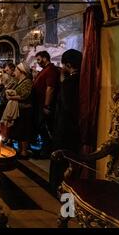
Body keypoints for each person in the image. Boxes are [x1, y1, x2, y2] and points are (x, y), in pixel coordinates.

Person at [49, 49, 82, 193]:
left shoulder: (70, 82)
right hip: (75, 127)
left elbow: (67, 105)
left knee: (60, 159)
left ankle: (58, 187)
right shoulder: (82, 79)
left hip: (65, 127)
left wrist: (63, 83)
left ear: (68, 65)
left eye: (63, 65)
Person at [33, 51, 60, 157]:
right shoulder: (45, 70)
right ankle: (45, 149)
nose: (38, 62)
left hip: (44, 105)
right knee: (41, 127)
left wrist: (46, 105)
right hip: (40, 104)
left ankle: (47, 150)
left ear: (45, 58)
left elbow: (50, 88)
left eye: (39, 59)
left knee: (45, 127)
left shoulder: (51, 70)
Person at [7, 63, 35, 159]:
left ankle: (24, 151)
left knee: (24, 130)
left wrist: (11, 97)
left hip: (25, 110)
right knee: (19, 130)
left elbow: (25, 95)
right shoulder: (19, 80)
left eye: (16, 70)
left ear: (21, 71)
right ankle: (20, 150)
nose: (15, 72)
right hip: (20, 109)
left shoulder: (27, 81)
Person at [0, 63, 17, 128]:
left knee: (4, 122)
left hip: (7, 105)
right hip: (3, 104)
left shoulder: (14, 80)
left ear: (12, 70)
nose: (5, 73)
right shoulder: (9, 80)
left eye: (7, 71)